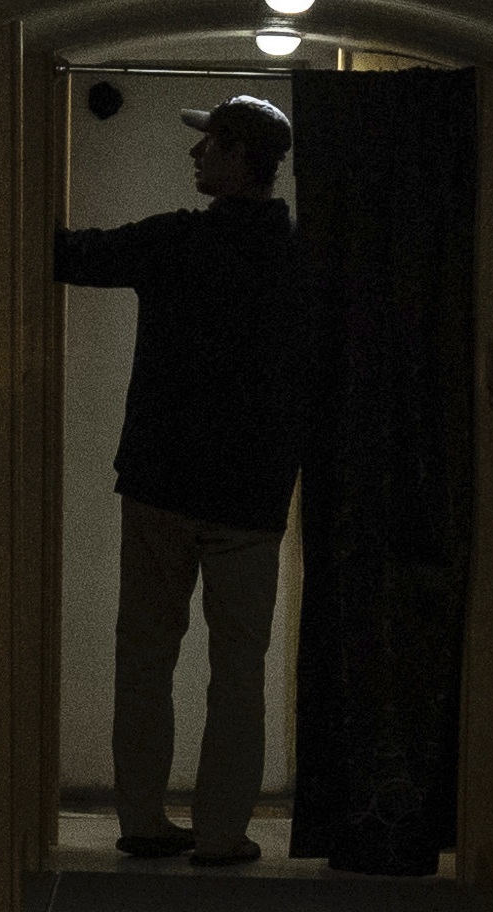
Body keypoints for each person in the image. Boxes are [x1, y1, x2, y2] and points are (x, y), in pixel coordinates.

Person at [56, 89, 316, 862]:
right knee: (238, 668)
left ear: (241, 158)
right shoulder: (298, 254)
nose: (195, 154)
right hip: (252, 494)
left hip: (160, 481)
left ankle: (141, 817)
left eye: (210, 144)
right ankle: (223, 829)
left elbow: (72, 255)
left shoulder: (175, 242)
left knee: (145, 653)